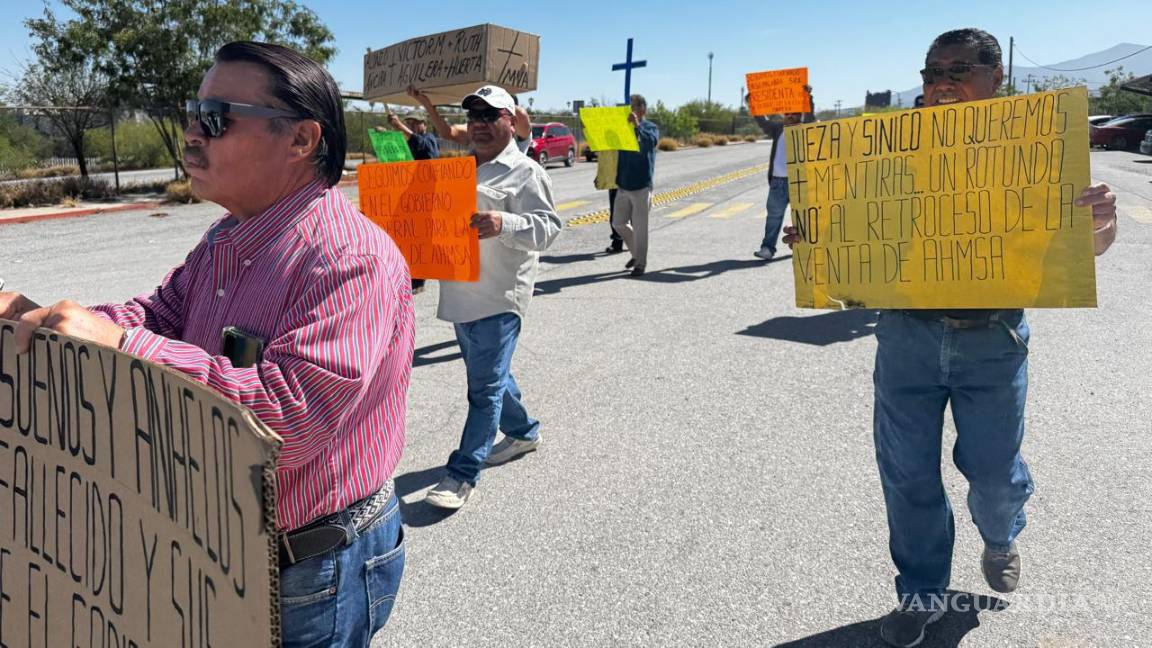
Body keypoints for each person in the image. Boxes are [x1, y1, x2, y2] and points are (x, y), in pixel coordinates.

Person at [0, 41, 416, 647]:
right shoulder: (229, 235)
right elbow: (157, 316)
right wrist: (40, 318)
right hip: (223, 552)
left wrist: (123, 344)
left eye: (217, 117)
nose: (191, 133)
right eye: (193, 110)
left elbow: (290, 421)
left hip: (310, 568)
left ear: (301, 140)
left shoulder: (349, 258)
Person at [783, 28, 1118, 648]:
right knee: (908, 476)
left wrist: (1100, 223)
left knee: (992, 474)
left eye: (959, 70)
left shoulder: (1032, 147)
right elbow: (851, 234)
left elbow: (1085, 246)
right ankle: (921, 593)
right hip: (906, 338)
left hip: (993, 342)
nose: (940, 83)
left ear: (996, 80)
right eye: (932, 71)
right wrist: (815, 244)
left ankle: (1001, 533)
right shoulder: (884, 149)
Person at [423, 85, 562, 510]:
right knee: (493, 378)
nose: (481, 124)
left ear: (510, 120)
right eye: (475, 117)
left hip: (500, 297)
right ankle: (524, 432)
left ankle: (461, 473)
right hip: (460, 295)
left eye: (490, 116)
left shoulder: (525, 172)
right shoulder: (457, 170)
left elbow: (549, 228)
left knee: (483, 389)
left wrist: (503, 222)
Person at [751, 85, 814, 261]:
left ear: (800, 113)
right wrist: (753, 104)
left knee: (803, 218)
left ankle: (802, 247)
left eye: (795, 112)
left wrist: (807, 97)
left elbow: (810, 117)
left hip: (800, 182)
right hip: (778, 182)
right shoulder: (778, 129)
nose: (791, 116)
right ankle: (767, 248)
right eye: (787, 113)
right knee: (773, 216)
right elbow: (762, 122)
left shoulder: (806, 129)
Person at [386, 110, 439, 294]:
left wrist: (399, 126)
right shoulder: (406, 143)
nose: (413, 127)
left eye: (416, 123)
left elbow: (424, 147)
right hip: (407, 197)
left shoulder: (429, 139)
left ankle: (419, 280)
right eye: (409, 123)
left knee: (420, 239)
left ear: (424, 124)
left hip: (424, 199)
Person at [407, 85, 534, 154]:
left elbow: (522, 117)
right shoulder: (475, 133)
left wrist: (497, 93)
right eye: (473, 115)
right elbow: (448, 133)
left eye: (490, 114)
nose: (479, 122)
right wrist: (426, 104)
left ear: (511, 122)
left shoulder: (519, 145)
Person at [613, 94, 659, 276]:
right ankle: (636, 253)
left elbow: (649, 143)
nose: (629, 111)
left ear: (642, 109)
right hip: (623, 184)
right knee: (618, 223)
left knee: (640, 228)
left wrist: (636, 126)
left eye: (633, 107)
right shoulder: (622, 128)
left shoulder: (650, 128)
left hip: (641, 185)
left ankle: (640, 264)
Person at [595, 149, 624, 253]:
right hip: (613, 181)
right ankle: (618, 242)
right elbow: (605, 160)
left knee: (623, 213)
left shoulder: (628, 139)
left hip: (627, 179)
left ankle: (624, 241)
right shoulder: (606, 143)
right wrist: (601, 175)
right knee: (615, 213)